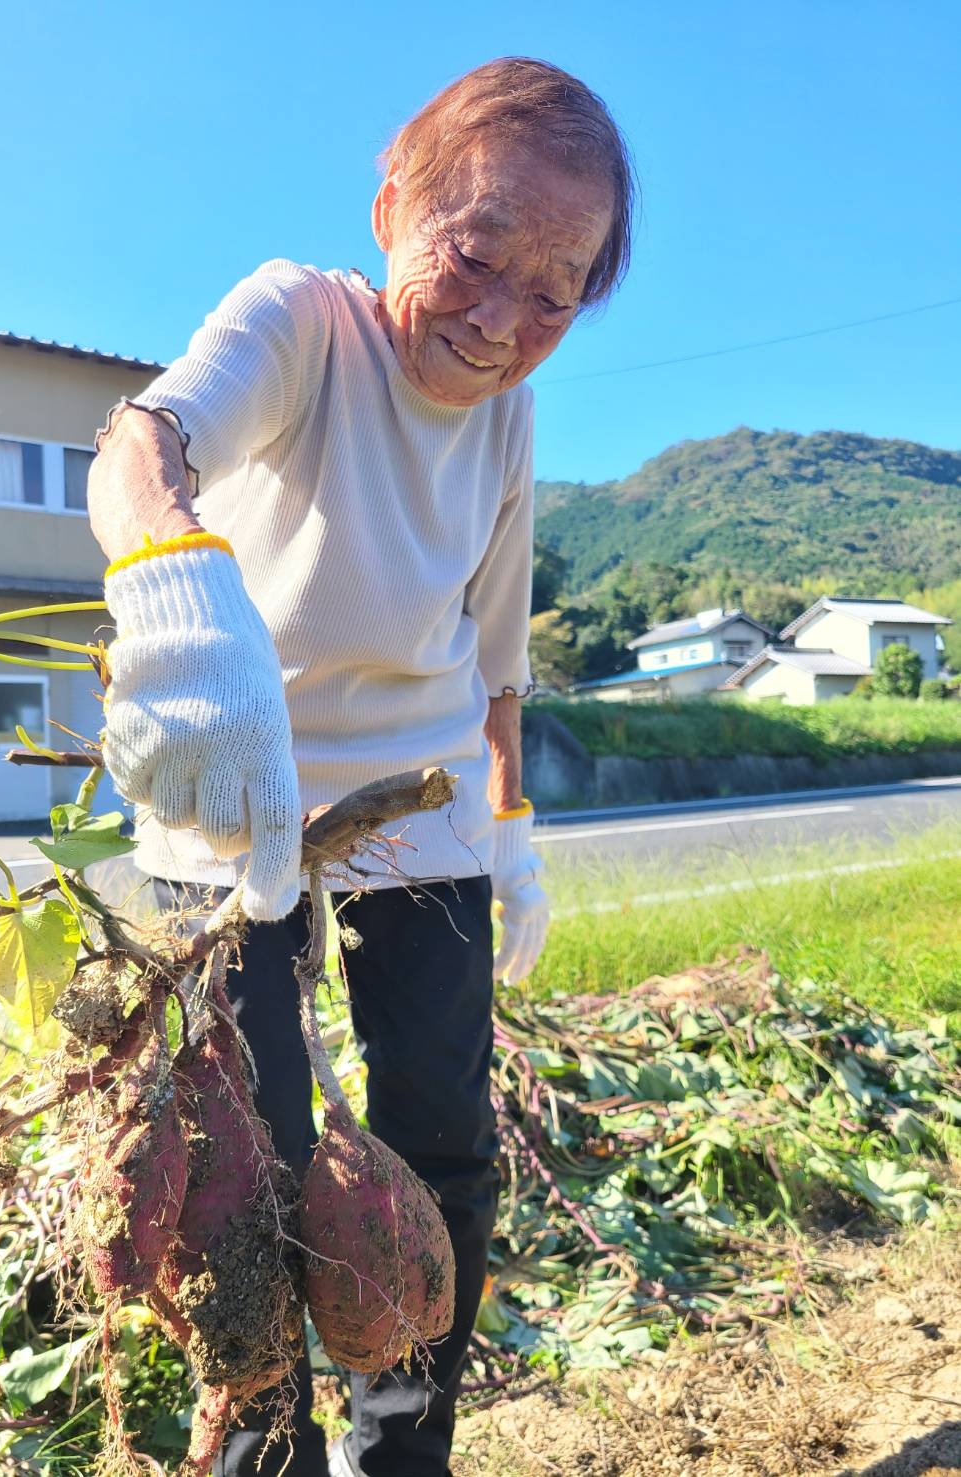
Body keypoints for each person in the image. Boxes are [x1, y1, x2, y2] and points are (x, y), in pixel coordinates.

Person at [88, 56, 633, 1477]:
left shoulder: (510, 416)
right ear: (395, 207)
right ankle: (261, 1449)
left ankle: (401, 1450)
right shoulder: (301, 323)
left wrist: (511, 834)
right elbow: (140, 446)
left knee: (444, 1145)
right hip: (231, 789)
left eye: (557, 292)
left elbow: (498, 664)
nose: (504, 320)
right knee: (244, 1172)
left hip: (428, 809)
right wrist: (173, 593)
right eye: (476, 253)